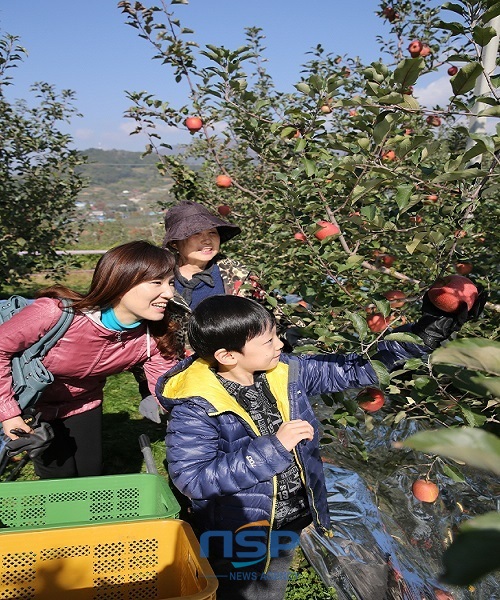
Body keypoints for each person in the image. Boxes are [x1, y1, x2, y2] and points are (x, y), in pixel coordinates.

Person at [156, 293, 484, 600]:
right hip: (239, 527)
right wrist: (274, 448)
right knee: (243, 590)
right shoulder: (197, 407)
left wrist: (427, 332)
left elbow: (355, 367)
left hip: (291, 514)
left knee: (272, 585)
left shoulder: (285, 372)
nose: (280, 344)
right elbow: (193, 480)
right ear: (228, 356)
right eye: (268, 340)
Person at [0, 240, 179, 479]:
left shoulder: (151, 337)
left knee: (89, 473)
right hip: (33, 403)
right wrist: (9, 413)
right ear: (121, 281)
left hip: (83, 403)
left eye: (170, 283)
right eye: (157, 282)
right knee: (57, 478)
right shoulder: (55, 314)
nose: (169, 293)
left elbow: (168, 390)